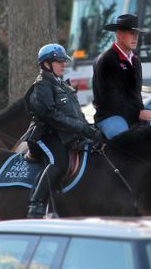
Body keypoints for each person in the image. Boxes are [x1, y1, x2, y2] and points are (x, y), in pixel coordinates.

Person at [23, 43, 101, 218]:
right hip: (45, 135)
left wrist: (88, 128)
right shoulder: (42, 85)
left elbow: (75, 114)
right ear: (46, 64)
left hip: (64, 135)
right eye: (59, 61)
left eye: (63, 61)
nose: (63, 65)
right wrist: (81, 128)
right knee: (59, 163)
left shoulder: (63, 85)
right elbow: (51, 117)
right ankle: (36, 204)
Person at [92, 14, 151, 139]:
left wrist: (141, 112)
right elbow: (109, 99)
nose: (135, 38)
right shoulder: (105, 60)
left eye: (136, 34)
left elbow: (136, 96)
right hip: (110, 116)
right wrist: (137, 114)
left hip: (133, 116)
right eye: (131, 33)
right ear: (119, 35)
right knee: (126, 142)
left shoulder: (136, 61)